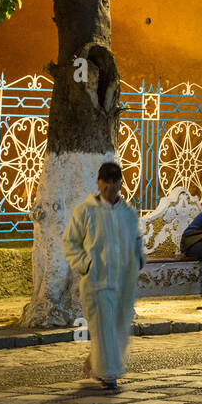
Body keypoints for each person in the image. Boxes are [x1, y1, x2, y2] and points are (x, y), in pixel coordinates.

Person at [63, 161, 146, 391]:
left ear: (120, 183)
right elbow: (70, 242)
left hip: (122, 283)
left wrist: (139, 259)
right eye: (105, 183)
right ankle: (109, 375)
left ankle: (96, 362)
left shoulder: (128, 213)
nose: (109, 188)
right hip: (96, 282)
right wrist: (85, 264)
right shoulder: (85, 212)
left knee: (117, 329)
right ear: (99, 183)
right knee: (104, 326)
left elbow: (136, 241)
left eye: (113, 183)